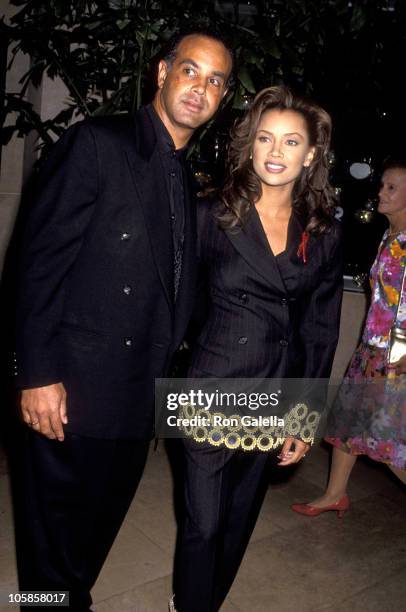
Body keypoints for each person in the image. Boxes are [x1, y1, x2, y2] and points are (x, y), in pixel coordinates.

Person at [12, 31, 233, 610]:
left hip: (136, 397)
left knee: (93, 532)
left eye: (215, 80)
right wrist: (36, 373)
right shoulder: (97, 143)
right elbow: (36, 265)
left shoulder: (184, 176)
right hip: (71, 387)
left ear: (223, 96)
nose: (200, 87)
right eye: (190, 70)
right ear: (163, 73)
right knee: (49, 539)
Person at [171, 85, 343, 612]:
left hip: (271, 393)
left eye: (291, 142)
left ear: (310, 154)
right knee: (202, 522)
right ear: (250, 145)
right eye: (265, 138)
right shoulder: (209, 214)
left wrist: (304, 416)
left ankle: (204, 599)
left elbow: (320, 330)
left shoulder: (324, 231)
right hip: (209, 384)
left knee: (238, 518)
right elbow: (178, 302)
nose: (275, 151)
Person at [292, 158, 406, 519]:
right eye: (382, 185)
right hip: (372, 349)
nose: (380, 193)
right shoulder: (389, 236)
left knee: (389, 445)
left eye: (391, 187)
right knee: (345, 426)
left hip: (395, 357)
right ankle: (334, 494)